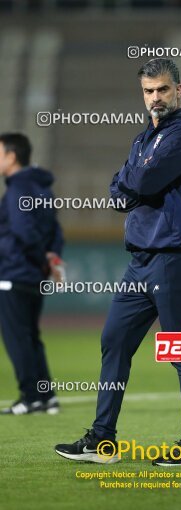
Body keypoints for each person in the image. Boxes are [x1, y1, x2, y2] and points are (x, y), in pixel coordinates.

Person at [55, 58, 181, 465]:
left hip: (173, 258)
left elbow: (138, 183)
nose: (155, 98)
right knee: (114, 340)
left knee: (178, 351)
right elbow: (118, 191)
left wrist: (133, 181)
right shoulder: (145, 139)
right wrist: (132, 181)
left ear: (179, 90)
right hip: (141, 260)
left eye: (162, 89)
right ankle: (102, 441)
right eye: (148, 91)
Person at [0, 133, 64, 415]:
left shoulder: (17, 189)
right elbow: (55, 231)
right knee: (30, 336)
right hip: (35, 274)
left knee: (17, 337)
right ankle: (45, 395)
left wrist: (40, 258)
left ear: (12, 156)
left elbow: (23, 231)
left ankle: (30, 397)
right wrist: (49, 260)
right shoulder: (42, 188)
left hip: (13, 271)